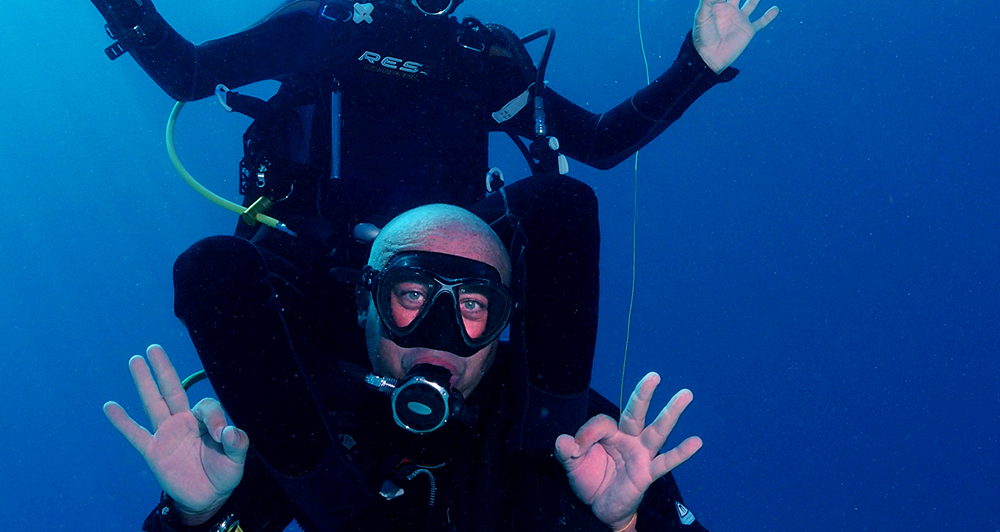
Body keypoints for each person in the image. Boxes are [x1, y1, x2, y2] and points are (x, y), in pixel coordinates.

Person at [33, 0, 776, 516]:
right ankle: (328, 507)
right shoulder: (324, 24)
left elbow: (601, 144)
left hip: (457, 309)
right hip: (321, 293)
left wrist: (696, 67)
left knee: (562, 202)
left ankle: (544, 456)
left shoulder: (488, 59)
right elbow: (193, 74)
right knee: (215, 271)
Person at [106, 204, 706, 532]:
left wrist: (625, 526)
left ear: (503, 324)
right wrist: (195, 516)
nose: (441, 334)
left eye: (472, 304)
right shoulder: (293, 418)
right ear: (366, 303)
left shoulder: (587, 440)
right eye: (413, 294)